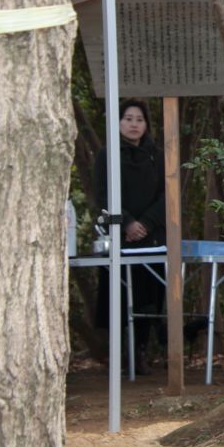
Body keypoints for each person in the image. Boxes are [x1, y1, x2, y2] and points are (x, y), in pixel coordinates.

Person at [95, 98, 167, 375]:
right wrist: (126, 223)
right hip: (119, 235)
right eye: (128, 119)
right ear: (118, 123)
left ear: (146, 124)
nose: (134, 124)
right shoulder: (107, 154)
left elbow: (167, 194)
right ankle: (119, 353)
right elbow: (103, 193)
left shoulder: (157, 156)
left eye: (139, 119)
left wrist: (145, 223)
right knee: (117, 295)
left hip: (151, 236)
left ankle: (141, 351)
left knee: (148, 295)